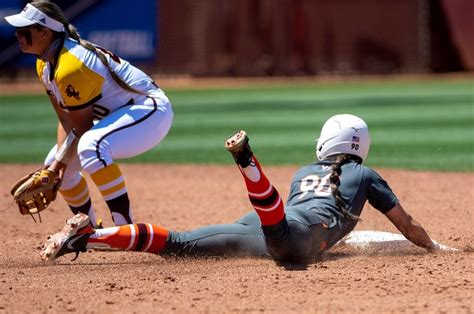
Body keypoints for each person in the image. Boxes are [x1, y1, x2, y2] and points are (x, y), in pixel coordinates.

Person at [40, 114, 448, 265]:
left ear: (325, 143)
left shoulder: (304, 169)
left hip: (268, 221)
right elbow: (407, 226)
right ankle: (247, 161)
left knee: (180, 243)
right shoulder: (367, 176)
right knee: (285, 241)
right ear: (361, 148)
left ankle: (89, 237)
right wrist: (434, 249)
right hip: (290, 237)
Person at [5, 1, 173, 226]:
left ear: (45, 33)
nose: (18, 34)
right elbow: (66, 119)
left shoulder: (71, 65)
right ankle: (88, 229)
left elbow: (82, 128)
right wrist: (55, 168)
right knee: (54, 163)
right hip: (119, 115)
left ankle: (126, 228)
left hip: (149, 111)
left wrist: (58, 168)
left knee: (90, 145)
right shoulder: (44, 64)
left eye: (25, 29)